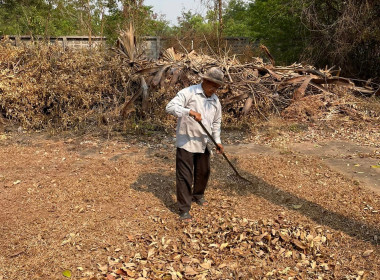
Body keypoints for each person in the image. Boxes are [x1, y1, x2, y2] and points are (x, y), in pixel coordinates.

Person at [166, 67, 225, 221]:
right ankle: (184, 209)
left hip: (204, 141)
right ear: (204, 81)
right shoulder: (189, 93)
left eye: (217, 87)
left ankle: (198, 195)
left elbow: (216, 122)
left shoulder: (215, 101)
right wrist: (189, 112)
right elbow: (170, 107)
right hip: (187, 140)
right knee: (185, 175)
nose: (214, 90)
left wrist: (217, 141)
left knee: (203, 171)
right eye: (212, 85)